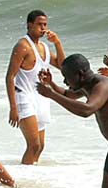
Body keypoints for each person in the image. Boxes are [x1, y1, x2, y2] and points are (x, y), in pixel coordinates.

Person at [36, 53, 108, 188]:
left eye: (66, 77)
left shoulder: (103, 86)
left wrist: (51, 95)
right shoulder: (87, 84)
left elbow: (87, 110)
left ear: (80, 74)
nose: (65, 81)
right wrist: (51, 84)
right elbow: (69, 94)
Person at [5, 10, 65, 164]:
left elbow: (62, 66)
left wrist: (57, 43)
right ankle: (23, 175)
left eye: (45, 24)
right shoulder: (22, 46)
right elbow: (10, 76)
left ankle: (32, 174)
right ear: (29, 25)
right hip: (24, 97)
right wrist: (13, 107)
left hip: (41, 98)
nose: (43, 28)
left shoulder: (44, 47)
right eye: (39, 24)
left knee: (40, 146)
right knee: (33, 145)